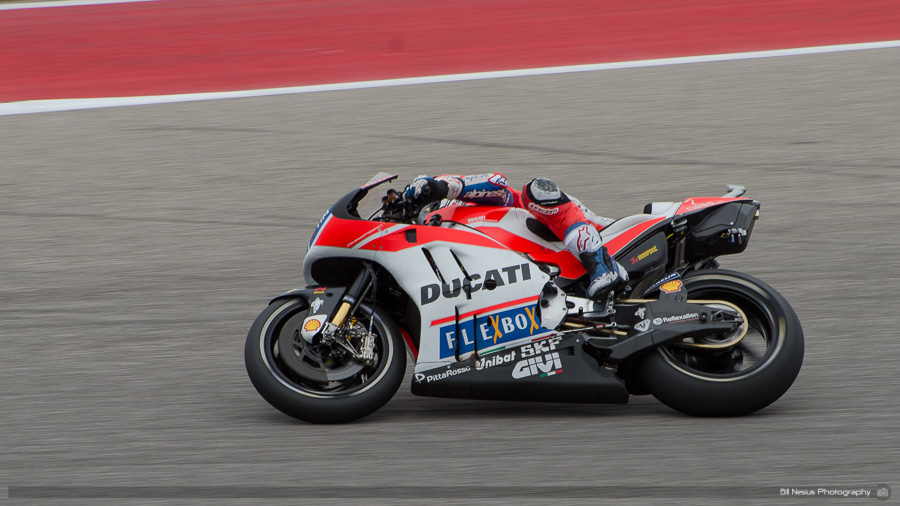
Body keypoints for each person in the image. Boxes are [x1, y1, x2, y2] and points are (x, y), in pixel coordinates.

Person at [405, 173, 628, 300]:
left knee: (535, 191)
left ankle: (603, 267)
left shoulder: (448, 200)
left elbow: (497, 184)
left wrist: (442, 187)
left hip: (596, 230)